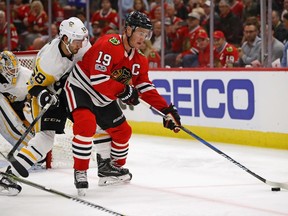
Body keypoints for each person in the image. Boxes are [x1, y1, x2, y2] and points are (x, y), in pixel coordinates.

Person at [64, 11, 182, 195]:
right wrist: (125, 91)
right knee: (86, 126)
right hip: (82, 89)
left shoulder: (139, 59)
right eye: (140, 32)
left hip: (104, 97)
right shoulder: (109, 44)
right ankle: (80, 171)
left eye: (146, 33)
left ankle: (109, 170)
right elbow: (98, 80)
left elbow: (145, 87)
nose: (143, 37)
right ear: (128, 29)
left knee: (123, 131)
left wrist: (165, 110)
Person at [0, 17, 90, 196]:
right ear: (66, 39)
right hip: (49, 93)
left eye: (83, 39)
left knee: (89, 119)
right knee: (45, 139)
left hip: (70, 90)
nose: (81, 44)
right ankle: (9, 177)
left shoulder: (83, 46)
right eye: (78, 40)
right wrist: (44, 96)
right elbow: (34, 87)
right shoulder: (49, 61)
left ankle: (106, 165)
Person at [0, 51, 33, 195]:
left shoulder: (26, 76)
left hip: (21, 113)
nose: (13, 72)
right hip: (6, 112)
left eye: (15, 69)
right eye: (9, 69)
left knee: (33, 148)